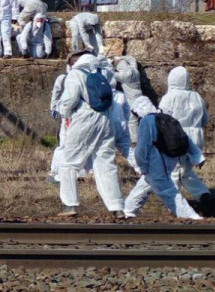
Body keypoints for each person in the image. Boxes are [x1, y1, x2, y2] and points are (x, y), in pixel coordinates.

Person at [56, 53, 125, 218]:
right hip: (106, 119)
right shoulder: (103, 72)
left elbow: (70, 100)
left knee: (69, 162)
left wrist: (64, 112)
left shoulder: (75, 74)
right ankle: (117, 207)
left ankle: (69, 205)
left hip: (84, 119)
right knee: (106, 164)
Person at [123, 97, 203, 220]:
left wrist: (141, 165)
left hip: (156, 161)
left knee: (166, 190)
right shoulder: (167, 117)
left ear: (139, 110)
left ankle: (190, 217)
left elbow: (141, 149)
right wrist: (197, 156)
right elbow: (186, 138)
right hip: (171, 158)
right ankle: (128, 210)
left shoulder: (147, 121)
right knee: (145, 183)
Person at [157, 66, 213, 206]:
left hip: (178, 137)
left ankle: (175, 203)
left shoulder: (169, 97)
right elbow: (205, 120)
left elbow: (161, 119)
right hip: (197, 136)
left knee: (175, 170)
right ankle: (204, 195)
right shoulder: (196, 96)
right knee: (185, 170)